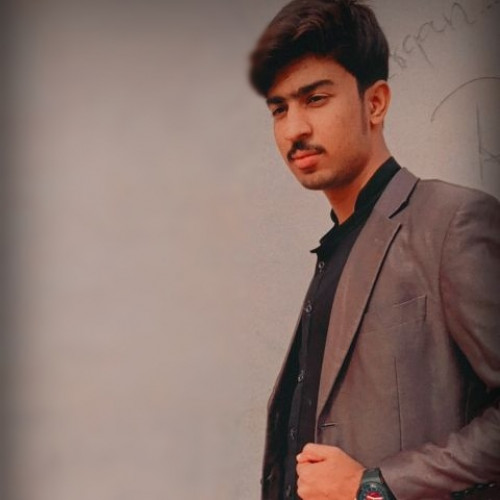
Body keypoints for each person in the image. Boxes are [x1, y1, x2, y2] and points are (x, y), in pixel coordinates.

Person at [248, 1, 500, 499]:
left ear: (376, 103)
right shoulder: (336, 247)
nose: (294, 128)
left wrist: (375, 486)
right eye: (279, 109)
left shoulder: (451, 221)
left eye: (315, 98)